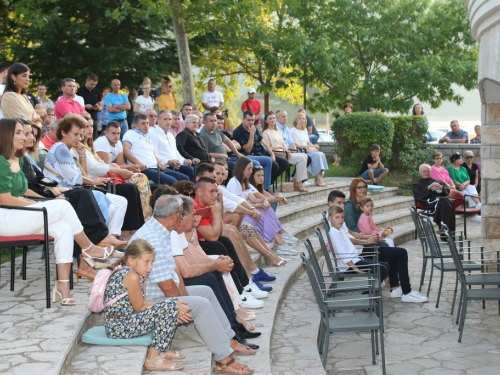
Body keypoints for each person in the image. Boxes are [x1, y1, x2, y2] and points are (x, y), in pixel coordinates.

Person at [131, 195, 257, 372]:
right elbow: (166, 285)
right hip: (150, 301)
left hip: (159, 293)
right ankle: (224, 359)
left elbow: (173, 271)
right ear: (175, 216)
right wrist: (182, 305)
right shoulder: (153, 238)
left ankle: (228, 339)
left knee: (205, 291)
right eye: (183, 214)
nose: (185, 218)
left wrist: (183, 297)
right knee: (201, 305)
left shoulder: (161, 231)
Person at [0, 118, 113, 305]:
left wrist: (41, 201)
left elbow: (22, 191)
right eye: (19, 133)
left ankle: (63, 286)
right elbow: (5, 199)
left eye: (24, 132)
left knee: (64, 228)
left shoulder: (16, 160)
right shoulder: (1, 163)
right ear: (6, 136)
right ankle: (89, 248)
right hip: (6, 217)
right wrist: (36, 205)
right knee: (62, 206)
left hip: (19, 213)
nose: (25, 136)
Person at [43, 114, 130, 244]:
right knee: (111, 207)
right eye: (75, 134)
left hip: (75, 191)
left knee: (120, 202)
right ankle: (99, 241)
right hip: (63, 193)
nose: (79, 138)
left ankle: (107, 241)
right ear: (63, 132)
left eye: (81, 135)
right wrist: (93, 181)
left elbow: (83, 173)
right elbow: (75, 180)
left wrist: (82, 155)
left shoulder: (69, 149)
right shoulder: (60, 149)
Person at [104, 239, 186, 371]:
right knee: (170, 306)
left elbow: (142, 305)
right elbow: (139, 308)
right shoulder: (131, 276)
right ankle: (153, 359)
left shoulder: (136, 274)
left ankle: (160, 350)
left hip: (126, 321)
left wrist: (169, 306)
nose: (151, 267)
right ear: (131, 260)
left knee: (170, 305)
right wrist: (170, 306)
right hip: (118, 327)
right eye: (146, 262)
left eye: (152, 262)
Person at [80, 116, 145, 239]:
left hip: (102, 179)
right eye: (86, 127)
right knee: (129, 189)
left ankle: (134, 229)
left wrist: (117, 168)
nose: (90, 129)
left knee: (133, 187)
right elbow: (94, 168)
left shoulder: (89, 146)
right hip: (94, 183)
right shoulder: (86, 146)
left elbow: (104, 164)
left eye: (91, 126)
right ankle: (125, 231)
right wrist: (117, 169)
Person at [226, 157, 299, 257]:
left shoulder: (244, 183)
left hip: (249, 211)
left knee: (266, 208)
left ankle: (281, 242)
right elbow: (239, 205)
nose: (250, 171)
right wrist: (260, 205)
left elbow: (255, 199)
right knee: (265, 210)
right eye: (249, 169)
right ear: (241, 168)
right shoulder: (234, 183)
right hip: (242, 214)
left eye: (251, 169)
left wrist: (264, 201)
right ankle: (281, 241)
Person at [327, 204, 389, 281]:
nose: (340, 220)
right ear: (329, 218)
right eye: (337, 217)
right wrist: (356, 269)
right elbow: (343, 254)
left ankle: (373, 289)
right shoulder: (334, 234)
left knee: (386, 266)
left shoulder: (340, 230)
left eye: (342, 217)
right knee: (383, 269)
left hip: (355, 259)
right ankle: (371, 291)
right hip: (348, 266)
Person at [123, 114, 189, 186]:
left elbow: (153, 153)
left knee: (184, 179)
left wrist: (160, 162)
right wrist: (138, 163)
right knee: (173, 182)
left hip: (156, 167)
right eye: (143, 123)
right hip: (145, 169)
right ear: (136, 125)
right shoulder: (130, 133)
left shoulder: (147, 136)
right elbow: (126, 150)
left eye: (147, 123)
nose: (146, 125)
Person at [232, 111, 280, 192]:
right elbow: (247, 149)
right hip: (246, 156)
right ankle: (264, 189)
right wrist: (251, 134)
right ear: (243, 119)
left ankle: (264, 185)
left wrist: (272, 154)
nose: (251, 122)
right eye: (248, 120)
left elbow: (264, 142)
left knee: (277, 164)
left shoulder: (254, 128)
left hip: (259, 153)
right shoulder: (238, 131)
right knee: (264, 162)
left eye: (253, 120)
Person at [263, 111, 308, 193]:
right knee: (301, 158)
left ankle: (297, 180)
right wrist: (282, 152)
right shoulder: (266, 133)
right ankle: (298, 182)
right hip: (277, 154)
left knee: (304, 155)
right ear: (266, 121)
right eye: (270, 118)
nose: (273, 120)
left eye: (273, 118)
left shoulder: (277, 131)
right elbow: (268, 148)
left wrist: (287, 151)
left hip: (284, 153)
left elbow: (283, 144)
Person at [150, 110, 195, 182]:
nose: (168, 121)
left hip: (175, 165)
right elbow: (154, 154)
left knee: (191, 169)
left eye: (170, 119)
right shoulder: (153, 134)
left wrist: (184, 160)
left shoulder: (170, 135)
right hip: (164, 166)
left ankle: (192, 192)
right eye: (165, 119)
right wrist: (168, 161)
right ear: (158, 120)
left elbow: (175, 152)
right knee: (184, 177)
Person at [413, 164, 457, 232]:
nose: (426, 173)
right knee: (445, 202)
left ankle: (445, 230)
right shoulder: (417, 184)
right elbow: (418, 196)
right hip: (429, 204)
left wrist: (440, 188)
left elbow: (446, 192)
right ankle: (448, 232)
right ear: (420, 173)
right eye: (424, 171)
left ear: (431, 172)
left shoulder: (438, 181)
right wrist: (428, 188)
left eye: (428, 171)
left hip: (442, 201)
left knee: (444, 201)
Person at [289, 111, 328, 187]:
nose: (302, 120)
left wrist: (314, 146)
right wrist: (307, 147)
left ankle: (318, 178)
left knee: (321, 154)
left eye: (303, 118)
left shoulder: (305, 130)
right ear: (296, 120)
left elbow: (307, 142)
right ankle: (317, 179)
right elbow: (294, 144)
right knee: (317, 156)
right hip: (299, 151)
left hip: (307, 150)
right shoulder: (292, 131)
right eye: (300, 118)